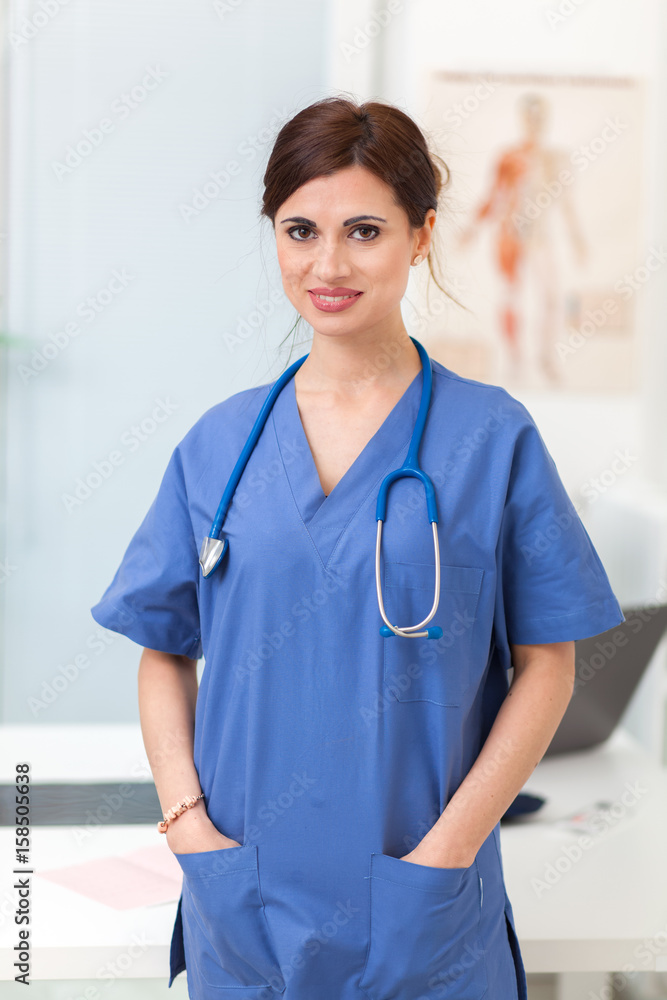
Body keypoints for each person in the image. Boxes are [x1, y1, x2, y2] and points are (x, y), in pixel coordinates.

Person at [91, 96, 625, 1000]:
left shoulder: (490, 438)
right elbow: (162, 651)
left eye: (364, 230)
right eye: (299, 230)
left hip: (426, 899)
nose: (326, 264)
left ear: (419, 236)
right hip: (244, 899)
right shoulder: (220, 446)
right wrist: (186, 826)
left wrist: (447, 852)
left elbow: (548, 664)